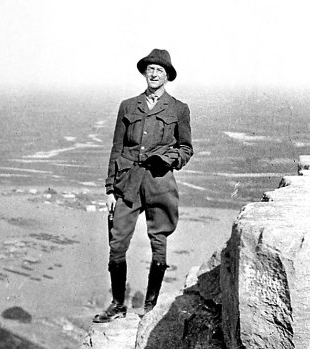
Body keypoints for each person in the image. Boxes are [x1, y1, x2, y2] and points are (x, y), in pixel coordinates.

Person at [94, 49, 193, 323]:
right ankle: (117, 304)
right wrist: (109, 189)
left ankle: (150, 307)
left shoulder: (178, 109)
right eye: (150, 68)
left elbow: (186, 149)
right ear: (144, 72)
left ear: (167, 76)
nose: (154, 73)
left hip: (159, 181)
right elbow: (117, 148)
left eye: (160, 70)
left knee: (158, 242)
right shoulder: (128, 106)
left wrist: (168, 158)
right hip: (127, 182)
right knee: (117, 243)